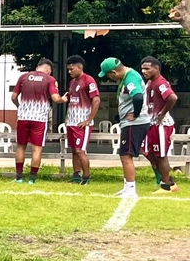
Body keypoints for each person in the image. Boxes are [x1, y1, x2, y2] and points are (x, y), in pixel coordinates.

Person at [100, 57, 149, 198]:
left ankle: (131, 189)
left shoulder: (130, 78)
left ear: (114, 72)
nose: (109, 78)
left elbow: (138, 97)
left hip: (134, 123)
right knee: (124, 155)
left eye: (108, 75)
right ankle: (127, 187)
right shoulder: (127, 77)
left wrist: (136, 114)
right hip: (129, 123)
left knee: (126, 155)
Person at [11, 59, 63, 184]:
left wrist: (20, 107)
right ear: (48, 69)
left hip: (23, 117)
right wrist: (63, 99)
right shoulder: (50, 79)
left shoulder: (23, 77)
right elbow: (56, 98)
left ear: (37, 66)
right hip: (39, 119)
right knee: (37, 149)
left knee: (20, 147)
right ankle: (32, 178)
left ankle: (19, 177)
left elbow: (13, 97)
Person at [140, 56, 179, 193]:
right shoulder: (150, 83)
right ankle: (169, 180)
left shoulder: (160, 82)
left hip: (161, 124)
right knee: (147, 152)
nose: (144, 71)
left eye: (147, 68)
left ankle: (166, 185)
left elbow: (172, 97)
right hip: (151, 123)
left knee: (161, 154)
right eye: (142, 68)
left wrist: (162, 113)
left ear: (156, 69)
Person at [63, 56, 100, 185]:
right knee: (74, 150)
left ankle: (86, 177)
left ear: (80, 67)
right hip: (71, 122)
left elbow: (96, 100)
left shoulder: (89, 80)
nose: (69, 72)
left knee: (80, 151)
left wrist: (89, 120)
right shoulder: (72, 82)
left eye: (71, 69)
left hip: (82, 123)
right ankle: (76, 176)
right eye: (68, 69)